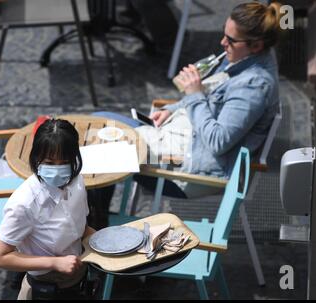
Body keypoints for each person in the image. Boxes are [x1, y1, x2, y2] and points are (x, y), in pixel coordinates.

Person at [94, 1, 284, 199]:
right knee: (99, 124)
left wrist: (193, 94)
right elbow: (210, 96)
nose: (222, 42)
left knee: (98, 150)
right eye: (223, 33)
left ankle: (96, 221)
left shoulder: (253, 87)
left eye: (230, 39)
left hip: (187, 172)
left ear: (256, 45)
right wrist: (173, 108)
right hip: (179, 137)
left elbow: (218, 141)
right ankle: (96, 218)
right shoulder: (245, 57)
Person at [0, 119, 95, 300]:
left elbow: (82, 228)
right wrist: (55, 263)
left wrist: (108, 242)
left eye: (64, 162)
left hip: (79, 279)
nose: (57, 170)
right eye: (50, 162)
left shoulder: (77, 182)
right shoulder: (24, 204)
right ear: (36, 159)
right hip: (46, 289)